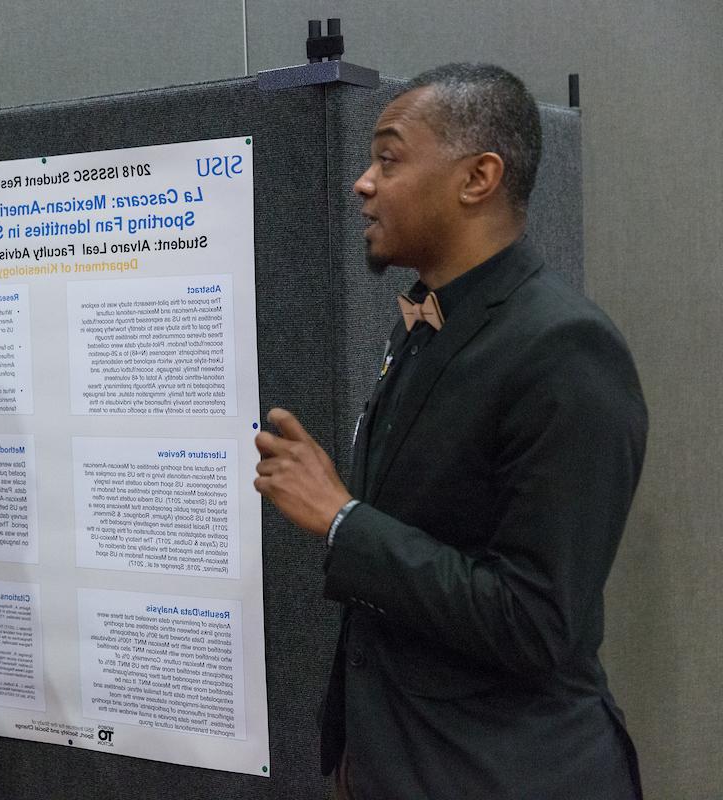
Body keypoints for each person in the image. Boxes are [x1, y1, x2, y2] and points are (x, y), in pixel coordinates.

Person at [253, 64, 646, 799]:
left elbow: (534, 623)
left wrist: (342, 521)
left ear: (479, 178)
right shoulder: (430, 324)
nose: (362, 183)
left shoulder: (565, 350)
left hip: (506, 774)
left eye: (389, 159)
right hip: (400, 763)